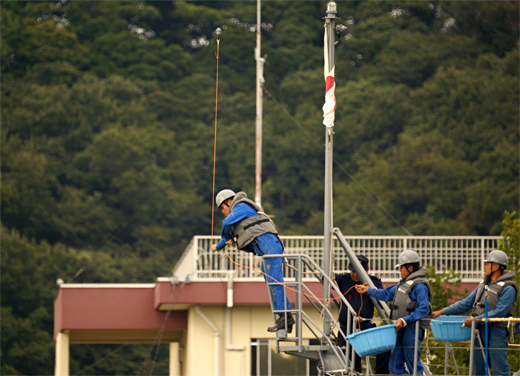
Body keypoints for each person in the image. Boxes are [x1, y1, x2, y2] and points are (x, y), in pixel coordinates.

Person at [211, 189, 294, 333]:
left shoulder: (241, 206)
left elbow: (226, 224)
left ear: (229, 202)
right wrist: (227, 242)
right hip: (267, 250)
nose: (223, 211)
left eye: (222, 207)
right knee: (270, 281)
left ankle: (285, 317)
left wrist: (221, 243)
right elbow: (241, 235)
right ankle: (284, 318)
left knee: (275, 281)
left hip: (271, 247)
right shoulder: (239, 215)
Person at [432, 250, 517, 376]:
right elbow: (466, 303)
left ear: (496, 267)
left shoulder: (508, 288)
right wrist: (441, 311)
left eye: (487, 264)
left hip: (496, 332)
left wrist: (476, 319)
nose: (484, 267)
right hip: (479, 331)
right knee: (479, 370)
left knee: (500, 370)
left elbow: (500, 312)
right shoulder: (483, 285)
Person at [355, 250, 432, 375]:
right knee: (394, 366)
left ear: (410, 268)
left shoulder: (419, 286)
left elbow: (424, 309)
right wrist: (367, 290)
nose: (399, 270)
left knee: (413, 366)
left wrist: (404, 320)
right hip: (400, 329)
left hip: (412, 329)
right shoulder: (404, 284)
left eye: (401, 267)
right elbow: (385, 294)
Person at [335, 255, 390, 374]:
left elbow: (383, 303)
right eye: (352, 271)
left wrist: (372, 290)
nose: (354, 274)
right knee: (352, 367)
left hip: (365, 328)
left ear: (366, 270)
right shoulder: (344, 279)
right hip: (346, 330)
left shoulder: (373, 282)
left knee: (385, 345)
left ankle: (381, 373)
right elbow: (327, 279)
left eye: (358, 271)